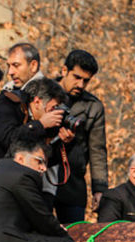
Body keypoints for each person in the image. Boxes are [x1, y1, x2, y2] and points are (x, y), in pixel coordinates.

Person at [46, 50, 108, 223]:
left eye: (86, 80)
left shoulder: (93, 107)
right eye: (77, 77)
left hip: (73, 182)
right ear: (64, 70)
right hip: (41, 175)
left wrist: (100, 189)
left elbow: (98, 151)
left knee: (75, 238)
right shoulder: (42, 92)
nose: (80, 84)